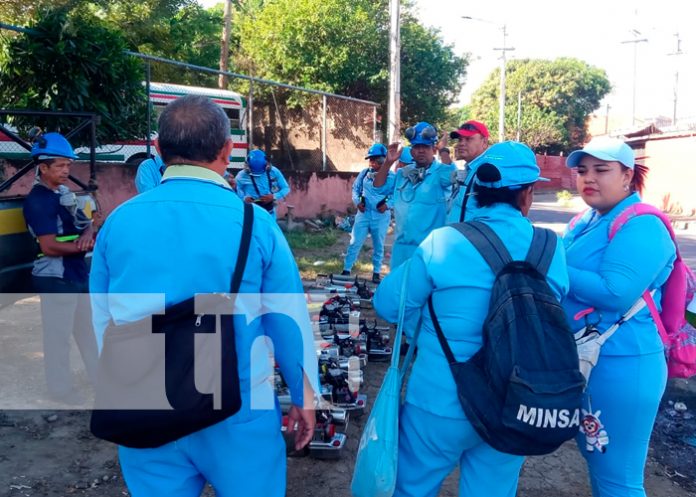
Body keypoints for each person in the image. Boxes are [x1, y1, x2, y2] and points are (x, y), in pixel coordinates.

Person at [90, 95, 316, 497]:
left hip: (145, 402)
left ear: (158, 149)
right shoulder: (254, 223)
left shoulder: (118, 221)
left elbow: (100, 320)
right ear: (228, 150)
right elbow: (287, 319)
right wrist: (304, 396)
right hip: (238, 407)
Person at [373, 141, 568, 497]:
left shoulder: (443, 242)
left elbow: (388, 305)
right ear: (527, 194)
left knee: (412, 489)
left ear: (475, 191)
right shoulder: (551, 248)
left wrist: (430, 316)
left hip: (439, 399)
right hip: (514, 401)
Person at [562, 137, 676, 497]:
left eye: (601, 169)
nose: (588, 178)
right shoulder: (587, 219)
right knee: (597, 459)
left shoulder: (643, 226)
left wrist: (548, 261)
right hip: (589, 360)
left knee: (618, 477)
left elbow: (615, 292)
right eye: (582, 171)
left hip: (624, 365)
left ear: (628, 176)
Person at [22, 132, 99, 405]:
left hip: (74, 274)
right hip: (55, 277)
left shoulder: (63, 195)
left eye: (68, 165)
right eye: (60, 166)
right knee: (58, 339)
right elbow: (50, 246)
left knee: (88, 332)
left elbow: (86, 223)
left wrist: (89, 232)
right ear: (43, 168)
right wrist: (86, 246)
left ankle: (99, 379)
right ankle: (60, 390)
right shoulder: (38, 201)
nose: (66, 170)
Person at [373, 122, 456, 269]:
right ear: (411, 151)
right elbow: (378, 186)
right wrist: (388, 162)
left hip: (429, 251)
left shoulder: (439, 174)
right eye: (417, 147)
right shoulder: (402, 174)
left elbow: (453, 175)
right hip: (401, 250)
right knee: (399, 290)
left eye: (426, 147)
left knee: (424, 290)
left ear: (433, 149)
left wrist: (444, 150)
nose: (421, 151)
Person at [342, 143, 395, 283]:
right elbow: (356, 189)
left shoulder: (392, 177)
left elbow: (397, 194)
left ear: (383, 160)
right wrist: (357, 202)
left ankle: (376, 272)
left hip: (381, 216)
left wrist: (388, 205)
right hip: (364, 214)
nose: (372, 163)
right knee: (355, 242)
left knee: (378, 244)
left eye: (376, 160)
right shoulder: (365, 173)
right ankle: (346, 269)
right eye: (370, 160)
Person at [447, 120, 490, 224]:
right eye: (460, 139)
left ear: (484, 142)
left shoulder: (486, 173)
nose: (461, 144)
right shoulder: (470, 169)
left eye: (468, 139)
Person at [235, 149, 290, 219]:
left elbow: (286, 188)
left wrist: (273, 196)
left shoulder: (274, 172)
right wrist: (244, 198)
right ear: (248, 165)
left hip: (270, 213)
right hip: (250, 214)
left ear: (267, 164)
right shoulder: (242, 175)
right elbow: (235, 190)